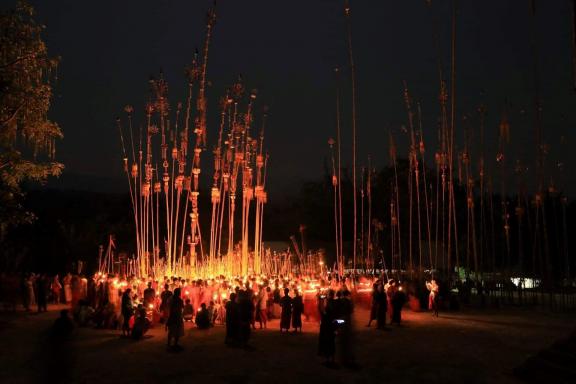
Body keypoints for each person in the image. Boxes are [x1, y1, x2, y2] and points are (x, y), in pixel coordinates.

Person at [318, 289, 336, 366]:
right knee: (331, 342)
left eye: (328, 294)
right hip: (332, 325)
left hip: (327, 325)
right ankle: (331, 359)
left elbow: (323, 312)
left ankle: (328, 360)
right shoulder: (334, 302)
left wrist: (322, 297)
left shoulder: (329, 303)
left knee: (327, 342)